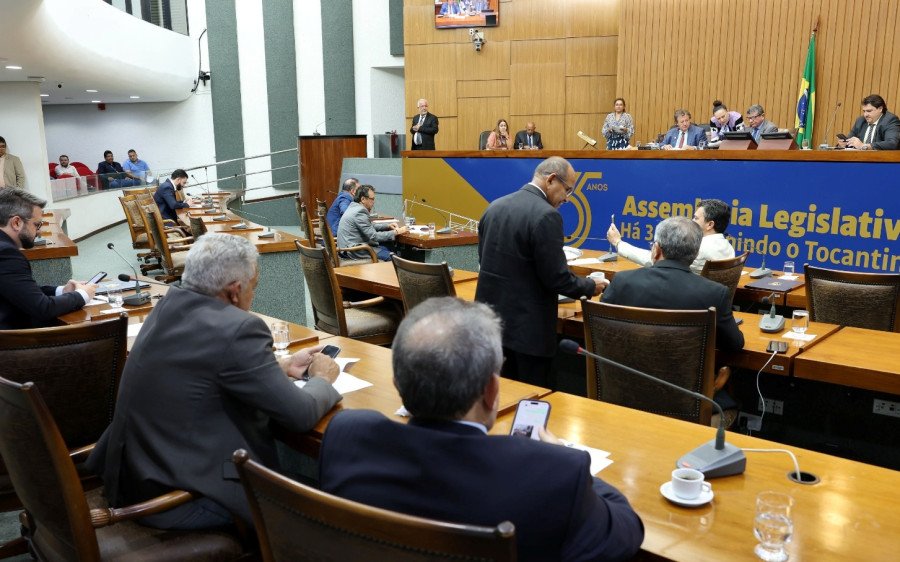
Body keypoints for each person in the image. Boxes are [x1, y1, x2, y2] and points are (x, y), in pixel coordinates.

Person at [319, 297, 644, 562]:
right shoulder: (557, 473)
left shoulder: (347, 434)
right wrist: (573, 463)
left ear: (398, 385)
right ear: (491, 390)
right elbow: (626, 532)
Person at [86, 233, 343, 530]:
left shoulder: (168, 306)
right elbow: (299, 414)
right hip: (180, 498)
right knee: (325, 512)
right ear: (235, 291)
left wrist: (280, 365)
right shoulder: (239, 328)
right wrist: (323, 378)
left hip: (134, 476)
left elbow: (204, 366)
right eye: (254, 287)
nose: (252, 296)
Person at [476, 157, 604, 387]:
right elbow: (557, 278)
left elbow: (483, 260)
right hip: (528, 335)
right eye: (567, 190)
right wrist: (591, 286)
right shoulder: (547, 216)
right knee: (530, 405)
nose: (566, 198)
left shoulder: (494, 206)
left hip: (489, 330)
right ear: (551, 179)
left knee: (496, 399)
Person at [603, 216, 744, 352]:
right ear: (694, 254)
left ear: (656, 250)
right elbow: (734, 345)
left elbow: (600, 326)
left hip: (622, 373)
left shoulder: (622, 281)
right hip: (685, 376)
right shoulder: (715, 294)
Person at [0, 188, 95, 329]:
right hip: (11, 345)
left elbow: (19, 290)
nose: (40, 231)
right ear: (16, 223)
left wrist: (62, 291)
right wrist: (82, 295)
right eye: (37, 224)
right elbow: (43, 309)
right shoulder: (7, 254)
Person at [607, 198, 736, 274]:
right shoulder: (728, 248)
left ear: (710, 224)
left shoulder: (698, 249)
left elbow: (654, 260)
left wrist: (618, 243)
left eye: (696, 218)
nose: (691, 221)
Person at [337, 184, 409, 261]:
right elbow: (374, 236)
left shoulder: (353, 207)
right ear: (363, 199)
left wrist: (387, 226)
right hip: (355, 250)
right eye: (372, 199)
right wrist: (397, 231)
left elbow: (369, 226)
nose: (374, 202)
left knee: (388, 245)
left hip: (349, 247)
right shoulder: (359, 212)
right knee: (394, 259)